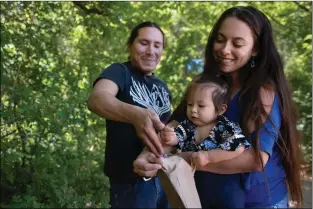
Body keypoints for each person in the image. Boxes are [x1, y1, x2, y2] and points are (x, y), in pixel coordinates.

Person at [133, 6, 303, 208]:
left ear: (255, 49)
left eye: (237, 44)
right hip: (206, 198)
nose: (225, 49)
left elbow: (256, 159)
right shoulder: (204, 84)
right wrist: (148, 155)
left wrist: (186, 159)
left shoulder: (263, 93)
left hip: (258, 202)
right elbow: (177, 125)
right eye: (220, 40)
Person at [87, 21, 171, 208]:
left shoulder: (162, 86)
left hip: (165, 179)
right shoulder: (120, 71)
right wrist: (135, 115)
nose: (151, 51)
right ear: (129, 45)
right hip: (130, 185)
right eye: (144, 43)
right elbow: (97, 99)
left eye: (157, 45)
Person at [161, 75, 251, 167]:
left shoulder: (224, 127)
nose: (193, 110)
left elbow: (239, 147)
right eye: (190, 104)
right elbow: (178, 138)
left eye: (201, 106)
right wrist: (170, 137)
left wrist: (208, 157)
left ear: (220, 109)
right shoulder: (187, 125)